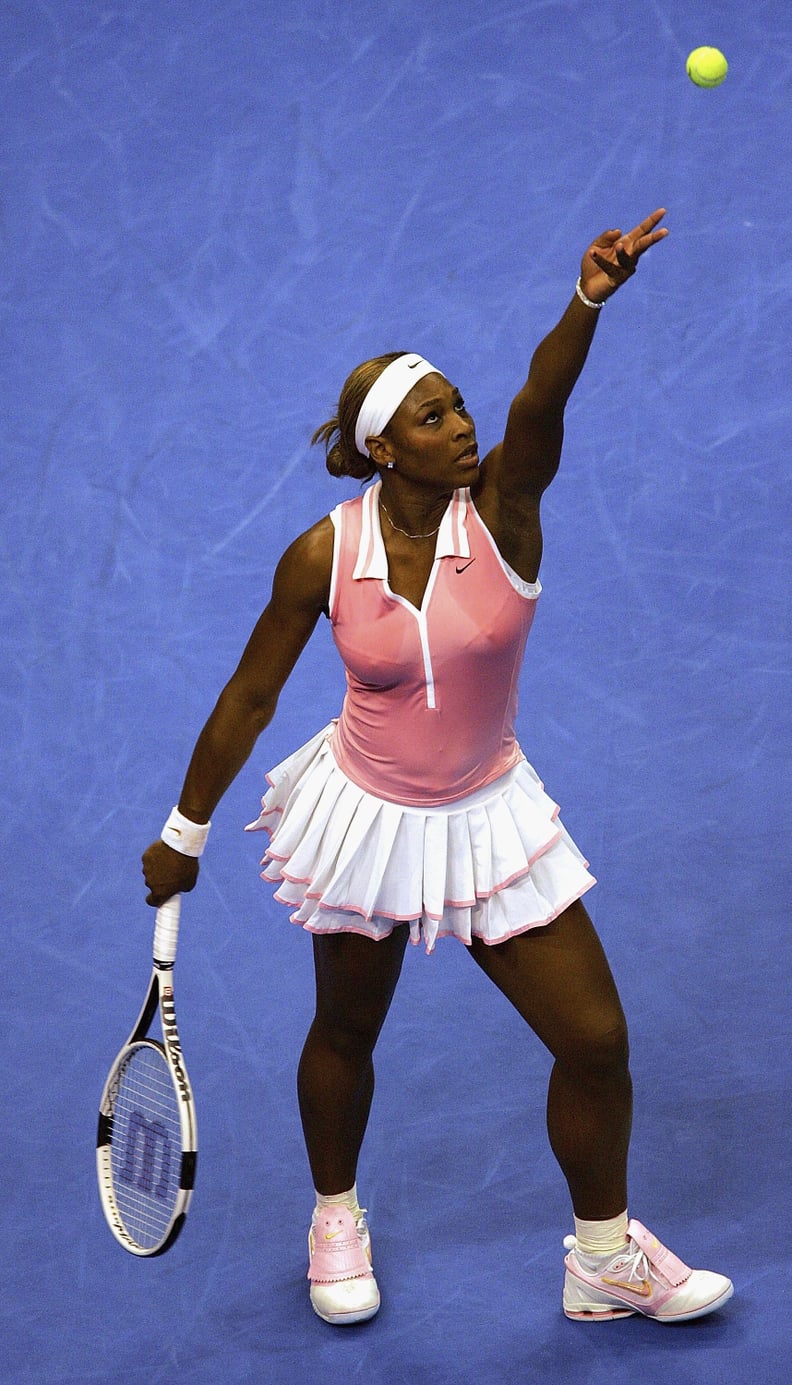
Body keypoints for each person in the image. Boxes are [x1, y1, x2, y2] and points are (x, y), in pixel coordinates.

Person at [142, 209, 733, 1327]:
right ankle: (334, 1213)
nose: (459, 425)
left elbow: (537, 406)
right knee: (346, 1033)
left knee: (597, 1041)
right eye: (431, 415)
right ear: (382, 446)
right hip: (364, 812)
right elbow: (251, 694)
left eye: (457, 405)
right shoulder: (325, 551)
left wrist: (588, 297)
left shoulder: (505, 511)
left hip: (488, 813)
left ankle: (603, 1257)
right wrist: (184, 831)